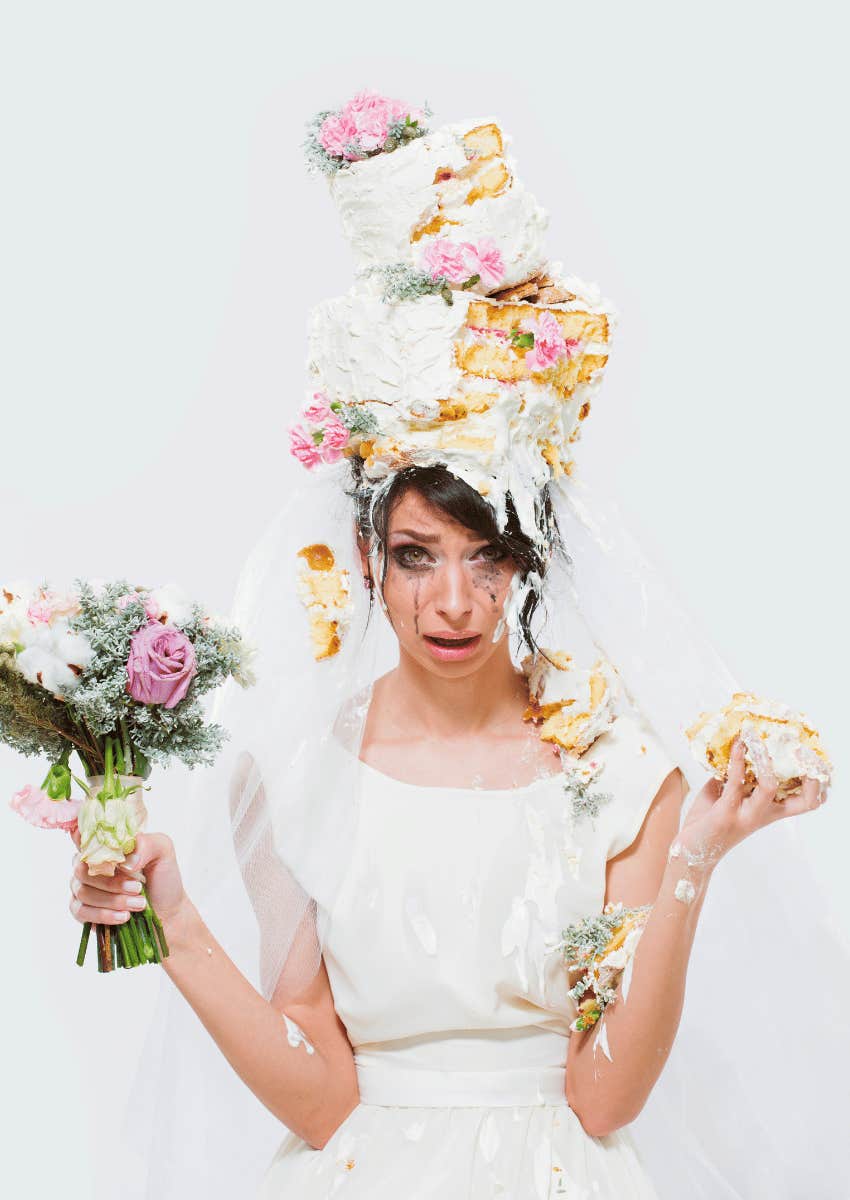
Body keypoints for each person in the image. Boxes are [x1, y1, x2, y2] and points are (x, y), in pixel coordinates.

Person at [67, 460, 842, 1199]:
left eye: (488, 557)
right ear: (368, 558)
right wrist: (172, 922)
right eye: (416, 557)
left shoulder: (621, 771)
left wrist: (691, 862)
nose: (455, 602)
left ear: (526, 563)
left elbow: (603, 1100)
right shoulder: (291, 779)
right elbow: (322, 1101)